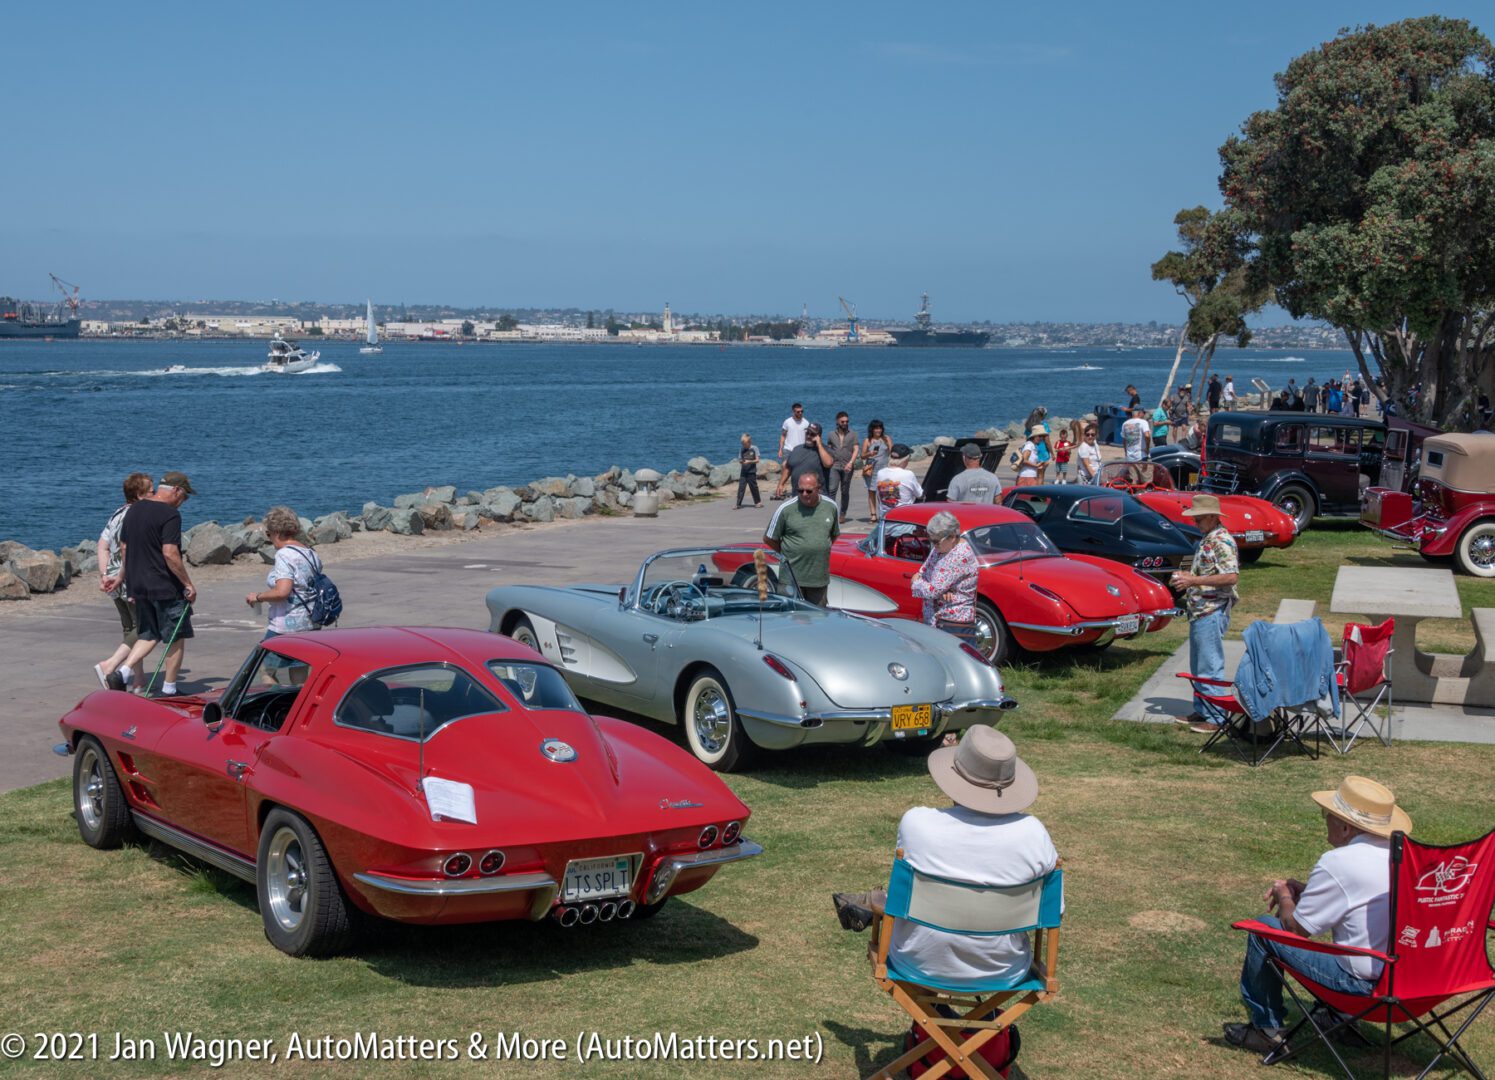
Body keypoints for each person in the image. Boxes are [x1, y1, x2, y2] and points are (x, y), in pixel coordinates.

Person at [831, 727, 1059, 993]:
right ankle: (980, 1024)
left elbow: (900, 902)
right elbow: (1054, 911)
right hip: (1004, 969)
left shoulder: (917, 823)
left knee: (903, 907)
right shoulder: (1033, 833)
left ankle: (937, 1024)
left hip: (917, 964)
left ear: (953, 775)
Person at [1223, 776, 1411, 1054]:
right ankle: (1341, 1019)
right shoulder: (1405, 857)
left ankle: (1267, 1030)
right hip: (1412, 982)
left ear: (1345, 826)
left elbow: (1296, 931)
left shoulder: (1340, 862)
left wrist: (1284, 895)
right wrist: (1311, 891)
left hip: (1362, 986)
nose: (1325, 819)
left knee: (1264, 929)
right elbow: (1363, 903)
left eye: (1328, 815)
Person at [108, 471, 197, 696]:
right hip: (165, 585)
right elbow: (170, 553)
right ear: (176, 490)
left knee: (149, 633)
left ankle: (123, 671)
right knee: (176, 637)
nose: (182, 503)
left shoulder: (134, 509)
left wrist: (124, 578)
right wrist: (187, 583)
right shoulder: (170, 515)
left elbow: (124, 547)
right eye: (184, 497)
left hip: (138, 584)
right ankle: (169, 689)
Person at [1171, 495, 1241, 733]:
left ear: (1213, 517)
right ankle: (1202, 710)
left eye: (1199, 519)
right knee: (1199, 664)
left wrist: (1193, 580)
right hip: (1201, 610)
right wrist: (1187, 577)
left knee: (1209, 665)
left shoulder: (1222, 541)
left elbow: (1231, 576)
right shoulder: (1208, 538)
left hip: (1212, 610)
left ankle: (1215, 717)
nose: (1196, 523)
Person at [93, 472, 153, 689]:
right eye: (151, 491)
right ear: (139, 495)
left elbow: (102, 545)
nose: (154, 494)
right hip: (129, 578)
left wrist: (105, 575)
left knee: (130, 628)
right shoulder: (138, 516)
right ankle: (111, 665)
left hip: (112, 578)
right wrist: (122, 577)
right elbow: (131, 550)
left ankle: (137, 679)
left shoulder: (116, 513)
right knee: (146, 628)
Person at [764, 471, 839, 606]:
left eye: (809, 491)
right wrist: (787, 552)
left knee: (818, 620)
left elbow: (833, 535)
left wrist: (819, 547)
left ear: (818, 489)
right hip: (791, 579)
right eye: (800, 490)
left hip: (818, 579)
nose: (804, 494)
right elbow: (769, 538)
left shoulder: (831, 507)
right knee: (790, 620)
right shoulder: (785, 509)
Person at [245, 506, 319, 637]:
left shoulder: (284, 555)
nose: (269, 539)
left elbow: (282, 592)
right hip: (312, 620)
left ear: (277, 533)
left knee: (264, 657)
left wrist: (257, 597)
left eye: (269, 534)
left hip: (287, 625)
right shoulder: (311, 553)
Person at [910, 511, 980, 647]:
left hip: (952, 623)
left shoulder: (958, 556)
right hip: (937, 620)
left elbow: (933, 590)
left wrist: (916, 582)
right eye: (931, 540)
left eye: (936, 541)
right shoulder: (941, 548)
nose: (933, 545)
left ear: (952, 536)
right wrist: (939, 588)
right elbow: (924, 570)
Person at [824, 410, 860, 524]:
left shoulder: (853, 434)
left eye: (847, 421)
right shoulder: (830, 434)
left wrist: (851, 462)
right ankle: (831, 513)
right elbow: (829, 449)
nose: (845, 423)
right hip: (834, 466)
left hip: (847, 466)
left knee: (845, 491)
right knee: (832, 490)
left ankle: (843, 513)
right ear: (837, 422)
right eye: (843, 421)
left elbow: (856, 449)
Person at [783, 421, 833, 495]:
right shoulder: (797, 449)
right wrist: (781, 484)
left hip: (818, 495)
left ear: (818, 436)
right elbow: (788, 467)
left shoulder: (825, 450)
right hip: (798, 494)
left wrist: (819, 445)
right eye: (807, 433)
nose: (809, 436)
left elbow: (828, 464)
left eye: (812, 434)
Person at [774, 402, 811, 499]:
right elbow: (783, 435)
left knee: (799, 471)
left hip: (801, 449)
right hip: (788, 448)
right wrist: (780, 449)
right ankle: (781, 488)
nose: (800, 413)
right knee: (785, 466)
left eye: (802, 411)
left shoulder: (806, 423)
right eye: (798, 412)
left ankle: (798, 489)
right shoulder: (787, 422)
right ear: (793, 412)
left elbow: (809, 437)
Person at [875, 443, 923, 515]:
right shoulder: (908, 474)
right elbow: (920, 495)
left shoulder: (880, 473)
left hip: (885, 519)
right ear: (906, 459)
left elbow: (879, 496)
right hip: (903, 518)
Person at [861, 419, 893, 522]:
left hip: (884, 469)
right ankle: (873, 515)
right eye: (876, 428)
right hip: (872, 469)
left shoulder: (886, 438)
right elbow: (862, 456)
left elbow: (892, 453)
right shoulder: (868, 440)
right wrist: (870, 454)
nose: (878, 430)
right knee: (871, 492)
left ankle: (885, 513)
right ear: (872, 429)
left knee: (885, 492)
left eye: (880, 428)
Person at [734, 432, 762, 509]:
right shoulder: (742, 449)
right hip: (744, 471)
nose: (744, 446)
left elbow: (757, 460)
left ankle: (758, 502)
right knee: (741, 487)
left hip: (751, 471)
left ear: (749, 442)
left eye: (745, 444)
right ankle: (738, 504)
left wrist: (749, 461)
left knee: (753, 487)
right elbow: (740, 459)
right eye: (743, 444)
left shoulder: (754, 448)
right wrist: (741, 461)